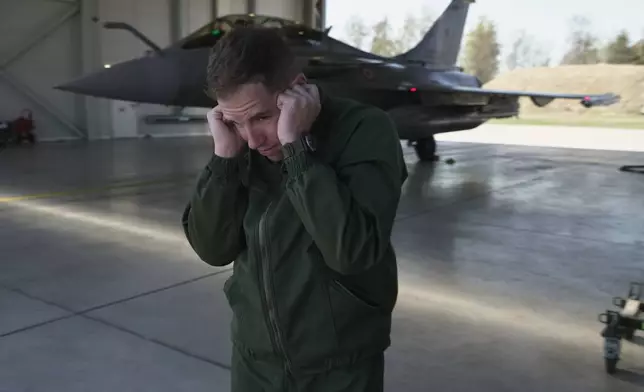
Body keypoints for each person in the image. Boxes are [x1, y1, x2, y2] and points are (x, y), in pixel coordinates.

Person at [181, 25, 407, 392]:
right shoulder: (240, 147)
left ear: (296, 90)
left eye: (262, 117)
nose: (252, 140)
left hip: (340, 366)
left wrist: (296, 150)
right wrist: (223, 159)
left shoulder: (364, 130)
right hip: (254, 362)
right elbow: (212, 249)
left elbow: (353, 251)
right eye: (235, 122)